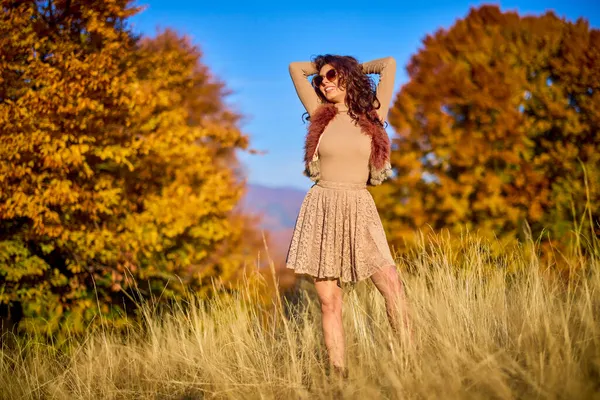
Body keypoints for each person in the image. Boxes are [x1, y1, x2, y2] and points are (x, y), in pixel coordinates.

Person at [285, 55, 410, 379]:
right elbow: (295, 68)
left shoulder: (373, 115)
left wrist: (348, 68)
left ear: (348, 79)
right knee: (329, 302)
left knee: (392, 286)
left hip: (359, 207)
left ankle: (408, 363)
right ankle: (338, 379)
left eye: (331, 77)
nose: (323, 82)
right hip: (322, 206)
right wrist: (326, 69)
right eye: (320, 80)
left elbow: (389, 64)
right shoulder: (319, 115)